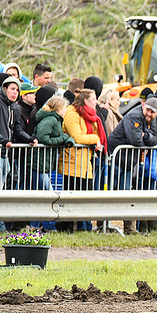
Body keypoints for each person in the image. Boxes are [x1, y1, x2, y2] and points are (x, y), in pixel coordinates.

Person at [0, 76, 37, 233]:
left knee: (0, 190)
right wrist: (2, 140)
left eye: (17, 90)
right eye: (12, 89)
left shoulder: (15, 107)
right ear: (5, 89)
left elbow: (17, 129)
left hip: (5, 154)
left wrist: (30, 139)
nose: (15, 92)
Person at [108, 96, 157, 234]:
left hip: (130, 162)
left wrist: (145, 136)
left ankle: (129, 229)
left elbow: (155, 139)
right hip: (116, 158)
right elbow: (135, 140)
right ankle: (103, 226)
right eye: (148, 110)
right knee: (108, 193)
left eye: (152, 112)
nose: (149, 114)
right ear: (143, 106)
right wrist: (145, 139)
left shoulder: (154, 119)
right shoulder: (133, 116)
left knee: (127, 194)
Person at [57, 88, 106, 232]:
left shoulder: (90, 116)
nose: (96, 102)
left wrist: (95, 142)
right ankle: (66, 229)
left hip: (85, 164)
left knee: (84, 199)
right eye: (94, 99)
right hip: (72, 163)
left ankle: (83, 228)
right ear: (86, 101)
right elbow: (77, 137)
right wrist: (95, 139)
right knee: (71, 199)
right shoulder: (72, 115)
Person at [32, 96, 75, 191]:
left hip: (44, 162)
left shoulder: (55, 120)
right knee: (49, 192)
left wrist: (67, 139)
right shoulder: (50, 120)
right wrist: (63, 138)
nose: (66, 111)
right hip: (40, 162)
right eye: (65, 108)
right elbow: (43, 138)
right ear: (59, 109)